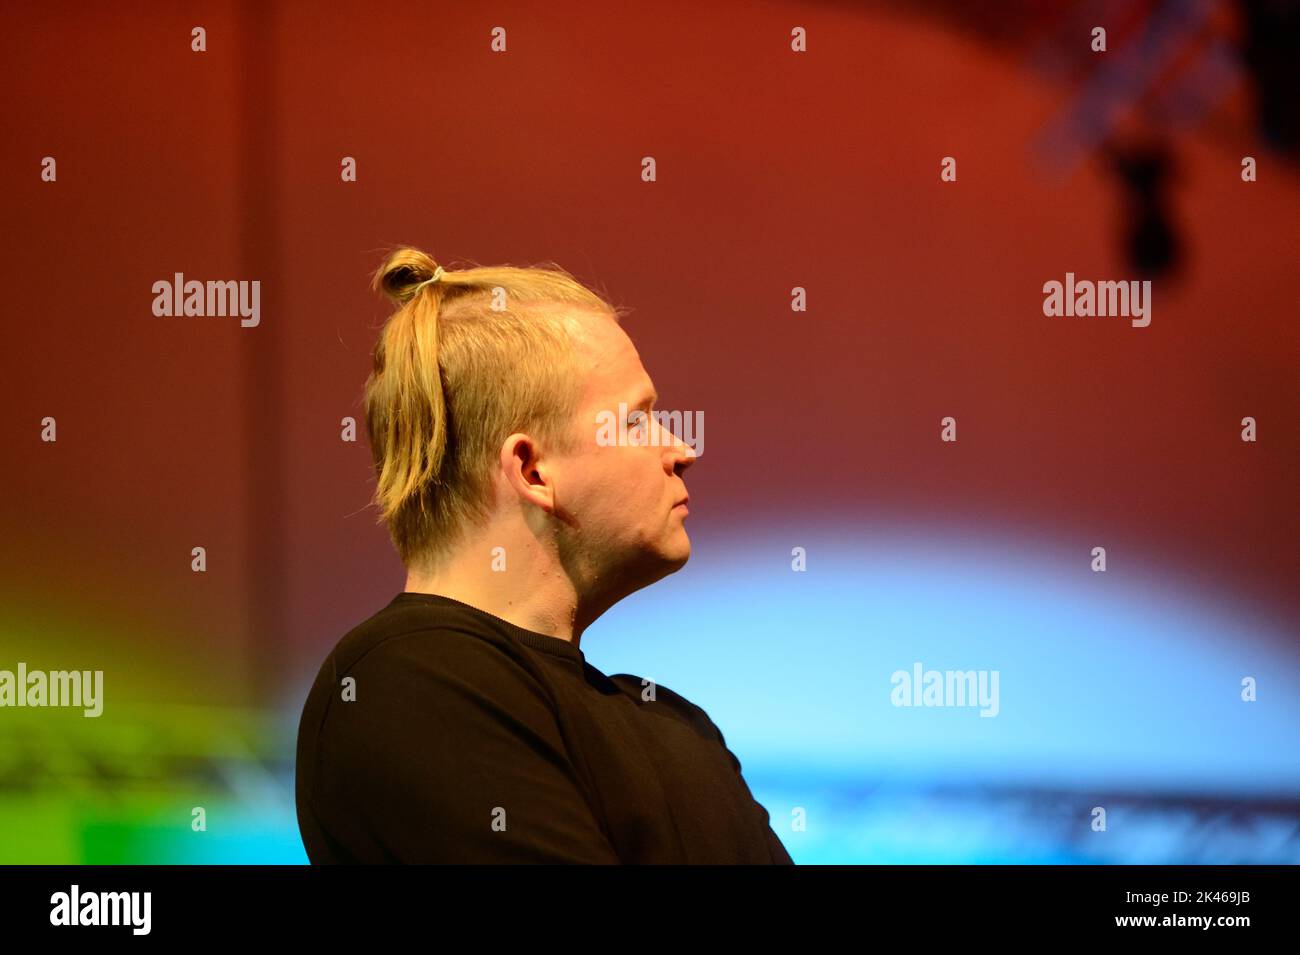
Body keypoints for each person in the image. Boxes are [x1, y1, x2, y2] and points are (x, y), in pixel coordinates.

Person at [295, 247, 793, 864]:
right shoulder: (406, 680)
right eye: (637, 422)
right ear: (533, 469)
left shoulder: (677, 726)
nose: (682, 448)